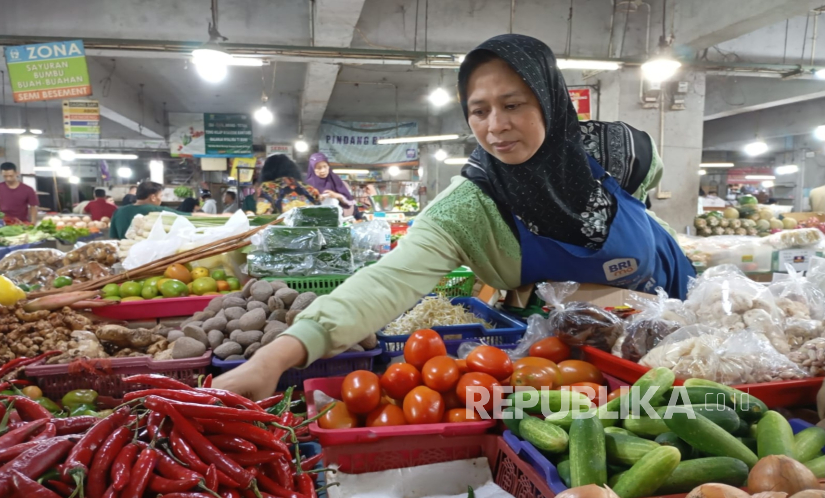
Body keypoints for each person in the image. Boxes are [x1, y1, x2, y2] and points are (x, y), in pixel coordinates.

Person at [213, 34, 694, 399]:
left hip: (671, 327)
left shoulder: (626, 152)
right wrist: (273, 359)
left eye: (512, 105)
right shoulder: (469, 207)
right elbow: (386, 282)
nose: (495, 126)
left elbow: (644, 207)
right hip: (562, 363)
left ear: (548, 99)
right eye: (478, 111)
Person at [109, 181, 188, 239]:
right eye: (161, 196)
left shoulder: (119, 211)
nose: (161, 199)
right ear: (153, 197)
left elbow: (113, 238)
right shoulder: (159, 210)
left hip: (124, 255)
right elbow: (189, 216)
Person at [305, 152, 357, 217]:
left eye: (325, 166)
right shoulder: (307, 184)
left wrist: (336, 195)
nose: (323, 170)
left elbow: (348, 202)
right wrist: (316, 200)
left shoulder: (334, 179)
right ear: (313, 169)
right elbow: (303, 205)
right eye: (319, 168)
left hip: (334, 217)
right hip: (314, 218)